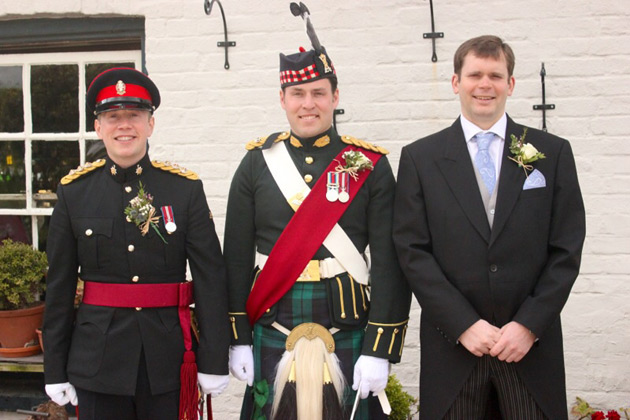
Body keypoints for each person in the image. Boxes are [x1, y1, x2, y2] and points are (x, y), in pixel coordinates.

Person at [223, 4, 411, 419]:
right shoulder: (256, 162)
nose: (308, 104)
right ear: (283, 99)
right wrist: (236, 337)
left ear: (335, 97)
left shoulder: (368, 164)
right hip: (272, 317)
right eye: (298, 94)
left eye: (318, 93)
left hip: (346, 320)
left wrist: (380, 348)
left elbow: (390, 262)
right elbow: (235, 257)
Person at [393, 35, 586, 419]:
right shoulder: (420, 158)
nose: (485, 84)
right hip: (454, 351)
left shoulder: (552, 153)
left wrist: (529, 326)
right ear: (456, 82)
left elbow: (567, 248)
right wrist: (463, 324)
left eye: (496, 75)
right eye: (475, 74)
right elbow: (412, 250)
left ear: (510, 84)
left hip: (529, 350)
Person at [42, 67, 230, 420]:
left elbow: (210, 279)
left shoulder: (184, 190)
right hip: (96, 361)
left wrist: (215, 359)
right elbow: (60, 287)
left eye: (134, 116)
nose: (124, 125)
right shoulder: (74, 193)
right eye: (113, 116)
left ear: (150, 124)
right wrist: (54, 367)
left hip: (167, 359)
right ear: (98, 127)